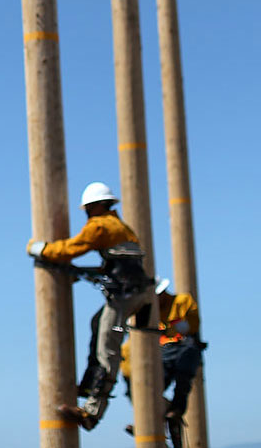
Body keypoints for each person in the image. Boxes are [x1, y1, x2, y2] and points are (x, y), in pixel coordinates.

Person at [27, 181, 154, 430]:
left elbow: (71, 248)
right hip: (136, 294)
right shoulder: (123, 227)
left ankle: (92, 413)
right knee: (98, 325)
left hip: (124, 296)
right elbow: (118, 263)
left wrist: (41, 249)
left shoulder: (100, 225)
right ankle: (87, 386)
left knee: (107, 349)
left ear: (94, 206)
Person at [119, 278, 203, 446]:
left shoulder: (182, 301)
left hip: (184, 347)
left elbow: (192, 325)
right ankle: (148, 421)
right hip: (162, 353)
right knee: (147, 388)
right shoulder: (148, 312)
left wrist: (172, 329)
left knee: (183, 375)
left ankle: (176, 410)